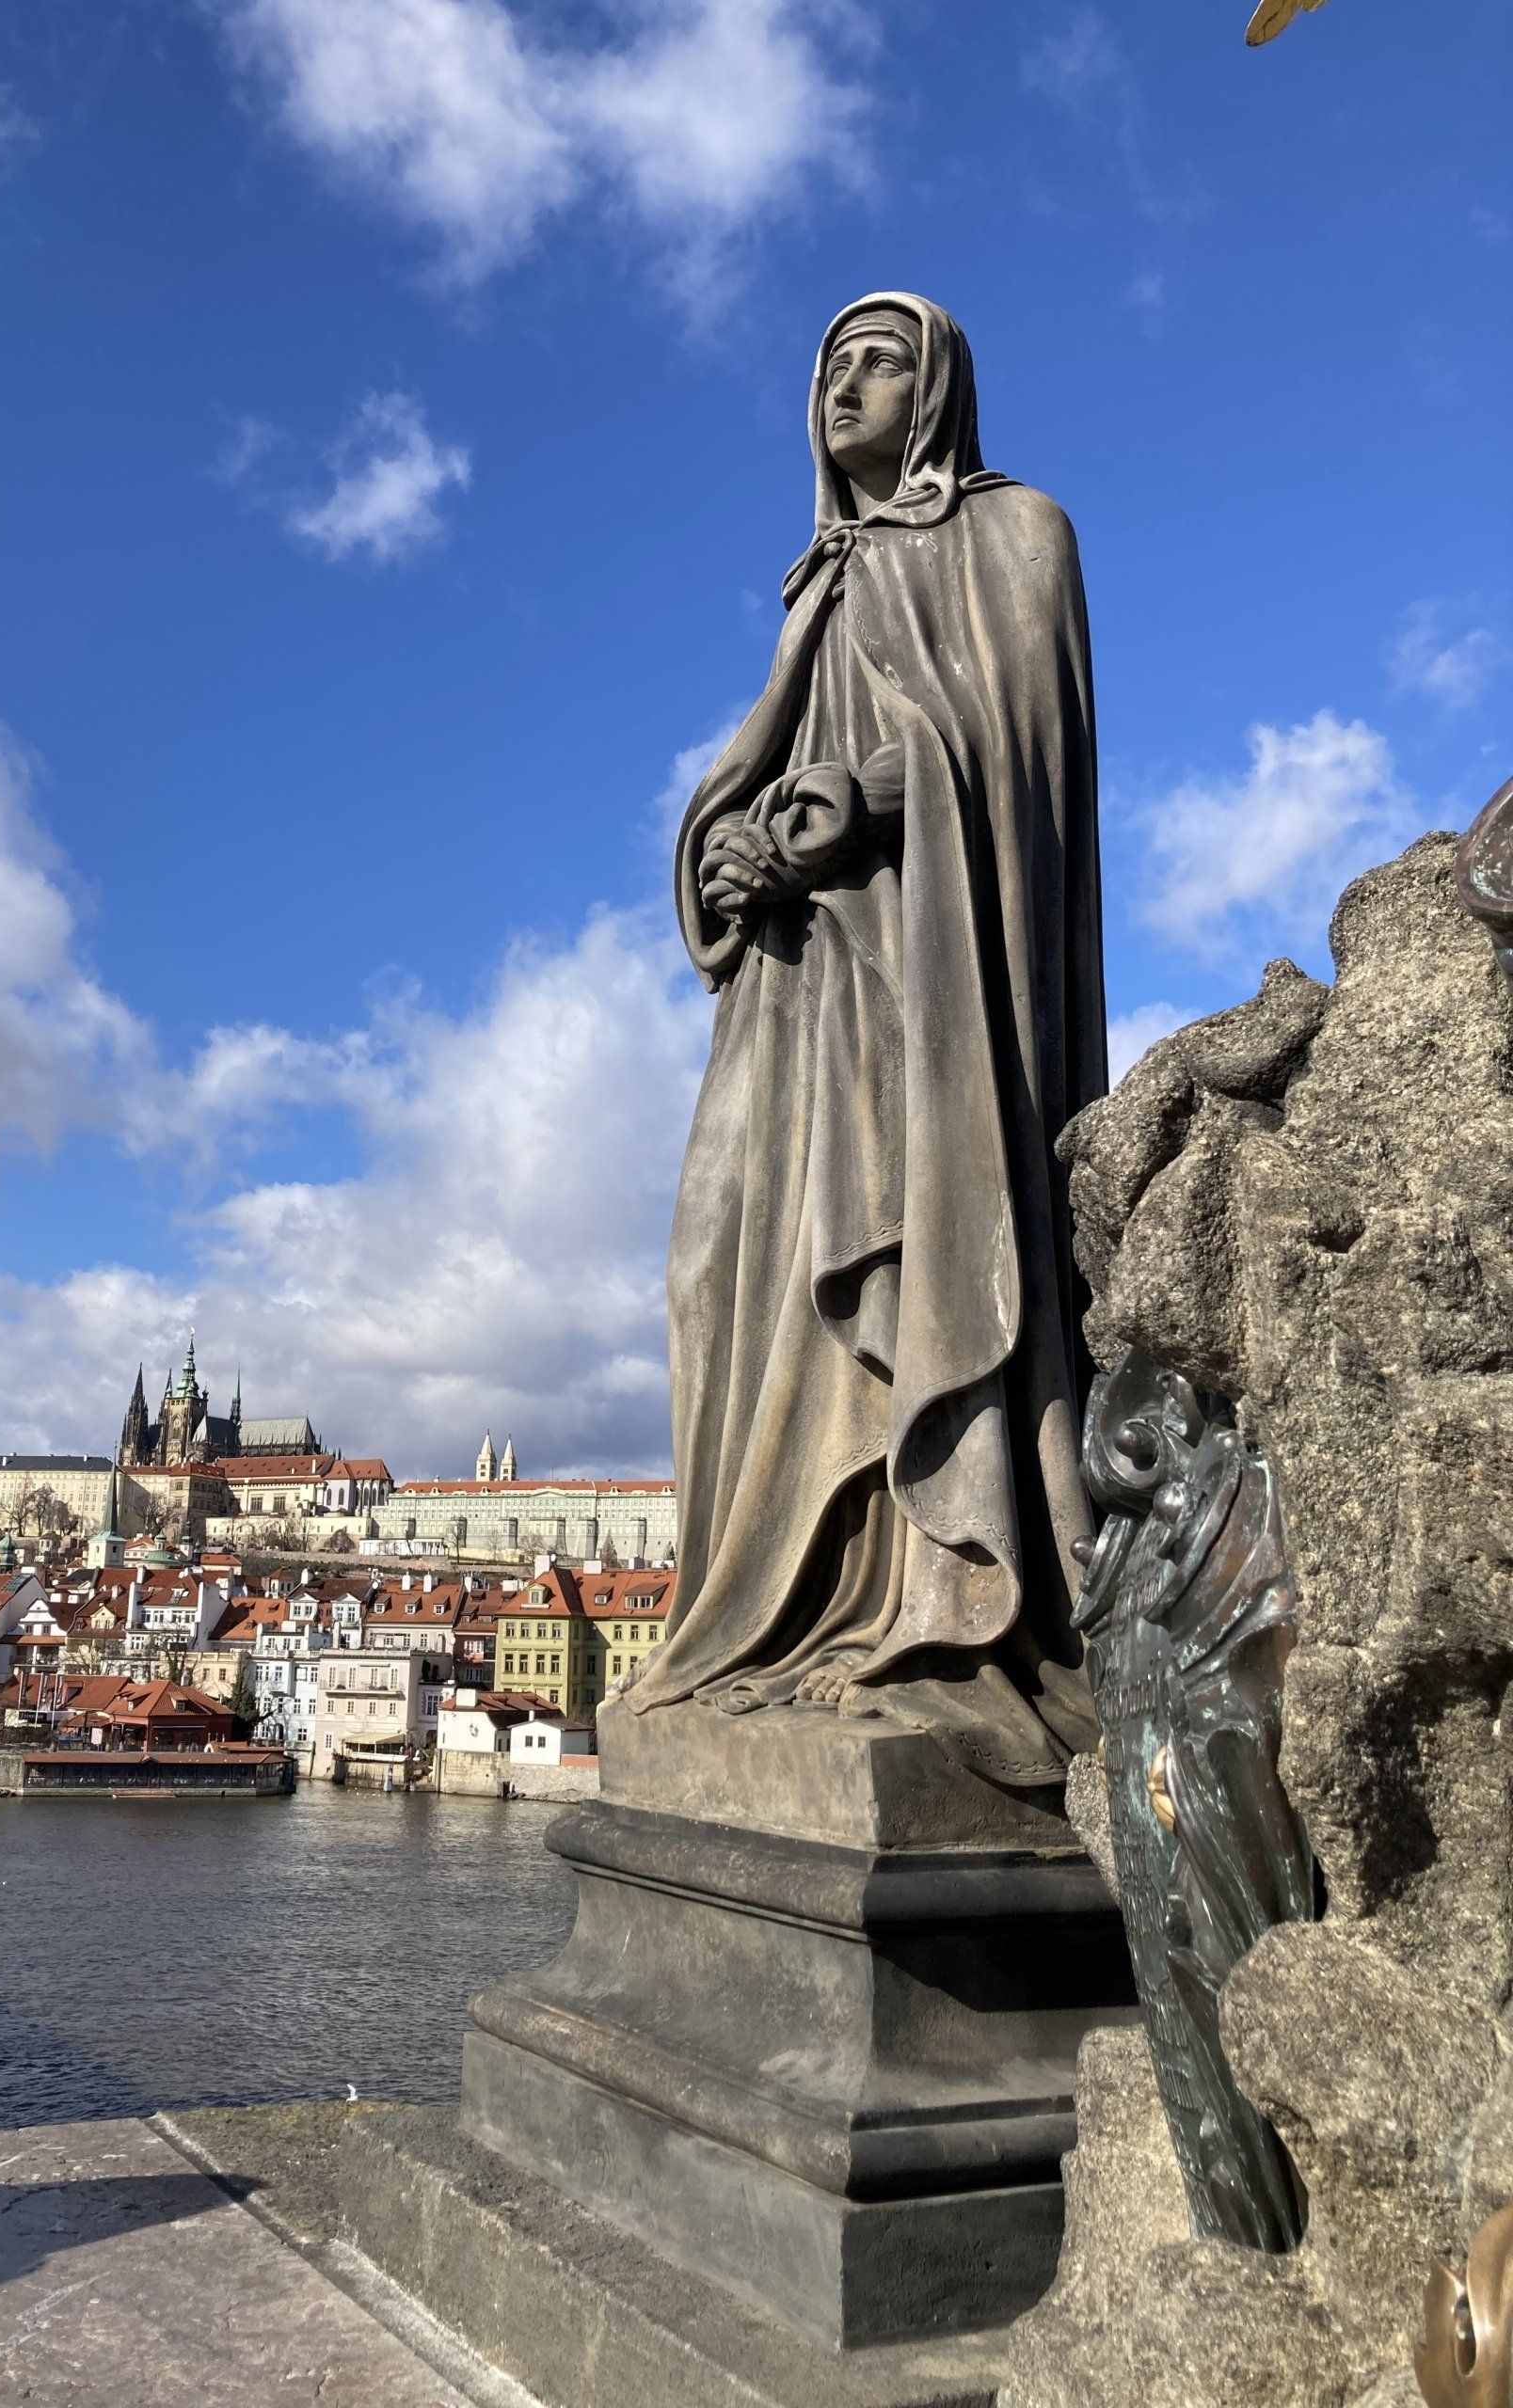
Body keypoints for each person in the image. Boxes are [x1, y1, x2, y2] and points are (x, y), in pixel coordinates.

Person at [626, 293, 1106, 1787]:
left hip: (928, 983)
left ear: (942, 384)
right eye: (827, 365)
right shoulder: (815, 584)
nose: (844, 384)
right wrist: (729, 852)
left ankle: (935, 1610)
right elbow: (757, 771)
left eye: (877, 359)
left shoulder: (1014, 532)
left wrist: (877, 801)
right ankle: (766, 1620)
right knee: (712, 1267)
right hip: (791, 983)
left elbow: (1026, 756)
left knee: (906, 1250)